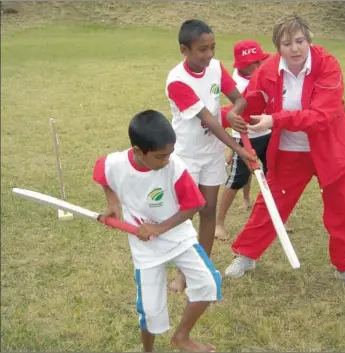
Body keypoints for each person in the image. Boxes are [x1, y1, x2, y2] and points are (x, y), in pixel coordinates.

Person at [224, 15, 345, 288]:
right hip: (290, 150)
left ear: (309, 40)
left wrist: (275, 120)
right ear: (278, 47)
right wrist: (224, 115)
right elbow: (255, 99)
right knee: (271, 203)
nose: (295, 48)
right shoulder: (268, 69)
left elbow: (321, 116)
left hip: (333, 150)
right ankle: (246, 255)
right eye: (287, 43)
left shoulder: (327, 65)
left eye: (300, 41)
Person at [93, 110, 221, 352]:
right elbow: (102, 173)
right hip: (145, 247)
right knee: (150, 312)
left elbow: (195, 204)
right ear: (139, 152)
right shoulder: (115, 163)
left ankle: (181, 337)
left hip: (177, 236)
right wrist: (112, 204)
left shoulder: (175, 167)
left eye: (170, 154)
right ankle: (148, 350)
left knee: (208, 283)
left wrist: (160, 227)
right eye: (160, 156)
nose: (167, 160)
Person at [165, 19, 256, 292]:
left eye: (213, 47)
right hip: (187, 155)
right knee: (187, 214)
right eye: (202, 49)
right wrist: (239, 149)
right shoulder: (177, 81)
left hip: (213, 153)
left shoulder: (215, 67)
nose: (210, 55)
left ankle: (201, 268)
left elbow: (239, 99)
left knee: (208, 211)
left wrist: (232, 111)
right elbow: (209, 121)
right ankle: (182, 273)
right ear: (185, 49)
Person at [215, 39, 271, 240]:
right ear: (242, 65)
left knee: (271, 173)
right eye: (254, 63)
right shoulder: (239, 85)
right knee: (237, 178)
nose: (259, 65)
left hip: (267, 131)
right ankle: (219, 222)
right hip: (246, 135)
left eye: (260, 61)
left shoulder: (262, 72)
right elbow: (233, 112)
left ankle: (271, 212)